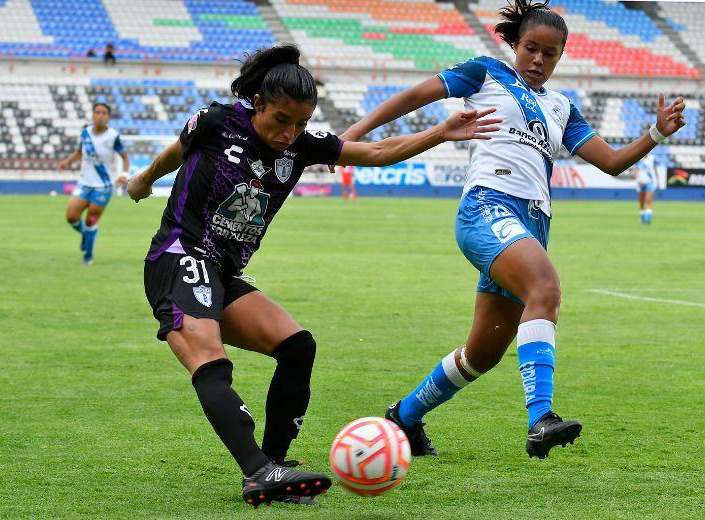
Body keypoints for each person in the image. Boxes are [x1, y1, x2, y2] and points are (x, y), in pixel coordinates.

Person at [126, 43, 499, 508]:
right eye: (282, 120)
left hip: (221, 271)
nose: (291, 133)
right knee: (209, 355)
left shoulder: (301, 148)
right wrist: (144, 179)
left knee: (297, 346)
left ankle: (275, 464)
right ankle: (258, 470)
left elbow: (378, 151)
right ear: (258, 103)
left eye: (301, 123)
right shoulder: (217, 122)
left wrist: (440, 133)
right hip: (179, 256)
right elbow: (176, 152)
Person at [339, 0, 686, 460]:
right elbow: (414, 97)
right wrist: (351, 136)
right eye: (531, 48)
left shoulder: (562, 108)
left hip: (532, 226)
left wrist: (656, 133)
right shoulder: (485, 73)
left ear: (561, 56)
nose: (539, 60)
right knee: (546, 287)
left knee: (481, 354)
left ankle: (402, 418)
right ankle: (540, 419)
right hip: (488, 206)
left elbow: (614, 161)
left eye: (550, 53)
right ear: (514, 44)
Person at [59, 103, 129, 264]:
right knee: (71, 217)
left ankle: (88, 256)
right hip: (84, 183)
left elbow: (125, 157)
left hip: (103, 186)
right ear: (93, 115)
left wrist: (123, 174)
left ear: (108, 117)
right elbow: (79, 151)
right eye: (97, 112)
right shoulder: (86, 133)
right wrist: (67, 162)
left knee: (91, 220)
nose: (100, 115)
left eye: (104, 113)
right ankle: (86, 235)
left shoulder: (113, 136)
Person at [633, 154, 657, 224]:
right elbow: (635, 171)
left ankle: (648, 219)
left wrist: (657, 180)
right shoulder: (638, 158)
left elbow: (655, 170)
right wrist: (637, 180)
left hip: (650, 182)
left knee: (648, 200)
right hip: (641, 183)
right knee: (641, 202)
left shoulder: (652, 158)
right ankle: (642, 218)